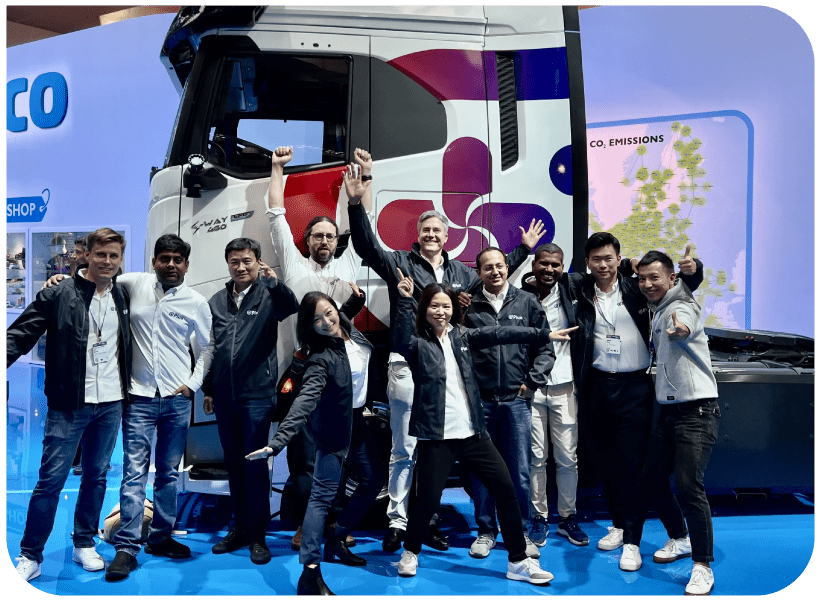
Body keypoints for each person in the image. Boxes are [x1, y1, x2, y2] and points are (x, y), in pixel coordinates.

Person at [345, 164, 545, 552]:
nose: (432, 235)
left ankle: (429, 520)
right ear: (418, 235)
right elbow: (367, 247)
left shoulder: (461, 273)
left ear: (447, 235)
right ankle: (398, 521)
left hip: (446, 370)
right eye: (426, 230)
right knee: (404, 448)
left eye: (437, 230)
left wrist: (523, 250)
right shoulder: (400, 263)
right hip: (407, 364)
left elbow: (493, 276)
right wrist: (355, 205)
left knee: (436, 450)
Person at [393, 275, 562, 585]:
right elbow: (401, 338)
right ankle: (410, 551)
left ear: (454, 310)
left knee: (506, 491)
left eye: (446, 306)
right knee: (427, 502)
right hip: (437, 437)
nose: (441, 312)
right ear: (424, 309)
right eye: (434, 306)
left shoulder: (462, 336)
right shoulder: (416, 344)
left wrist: (542, 334)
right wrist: (405, 301)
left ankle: (518, 561)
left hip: (473, 433)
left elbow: (500, 333)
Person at [568, 232, 703, 572]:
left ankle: (632, 541)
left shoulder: (636, 287)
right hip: (597, 385)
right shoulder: (580, 290)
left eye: (609, 258)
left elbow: (680, 286)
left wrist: (695, 270)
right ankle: (618, 523)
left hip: (635, 388)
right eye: (596, 259)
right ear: (587, 263)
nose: (603, 265)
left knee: (633, 466)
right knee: (608, 463)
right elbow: (543, 277)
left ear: (619, 258)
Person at [7, 228, 132, 582]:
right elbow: (20, 334)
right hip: (68, 404)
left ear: (120, 259)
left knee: (96, 477)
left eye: (114, 256)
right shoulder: (59, 293)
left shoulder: (123, 295)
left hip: (110, 403)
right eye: (100, 254)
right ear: (85, 255)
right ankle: (30, 554)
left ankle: (84, 543)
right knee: (50, 480)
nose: (107, 261)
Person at [266, 145, 372, 551]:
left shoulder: (348, 265)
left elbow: (361, 223)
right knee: (303, 457)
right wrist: (277, 168)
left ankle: (330, 523)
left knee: (337, 455)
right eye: (317, 235)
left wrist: (364, 177)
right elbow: (276, 214)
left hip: (343, 378)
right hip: (304, 371)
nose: (324, 240)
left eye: (330, 235)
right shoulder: (294, 266)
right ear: (306, 240)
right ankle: (304, 523)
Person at [246, 290, 385, 596]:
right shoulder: (320, 358)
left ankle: (337, 538)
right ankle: (309, 572)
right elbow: (304, 401)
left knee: (373, 479)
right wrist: (277, 442)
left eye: (328, 313)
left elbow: (343, 313)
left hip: (357, 422)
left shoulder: (346, 327)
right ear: (309, 326)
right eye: (316, 319)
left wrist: (357, 299)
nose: (325, 321)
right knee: (321, 498)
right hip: (334, 429)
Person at [105, 234, 215, 581]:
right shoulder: (132, 284)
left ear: (186, 265)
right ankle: (127, 547)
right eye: (164, 258)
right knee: (134, 472)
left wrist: (193, 385)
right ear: (154, 261)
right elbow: (98, 277)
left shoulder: (196, 302)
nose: (170, 264)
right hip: (138, 397)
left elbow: (209, 347)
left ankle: (161, 537)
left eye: (177, 260)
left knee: (168, 473)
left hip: (176, 400)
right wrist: (65, 278)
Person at [202, 238, 299, 565]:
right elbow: (211, 347)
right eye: (235, 261)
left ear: (258, 262)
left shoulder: (269, 294)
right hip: (224, 398)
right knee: (233, 465)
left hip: (257, 397)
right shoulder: (217, 301)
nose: (241, 267)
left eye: (247, 261)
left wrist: (276, 284)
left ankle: (258, 535)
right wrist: (209, 389)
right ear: (228, 264)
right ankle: (240, 528)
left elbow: (291, 307)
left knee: (255, 466)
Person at [633, 250, 720, 595]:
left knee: (689, 487)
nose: (647, 284)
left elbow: (685, 322)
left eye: (654, 277)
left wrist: (680, 330)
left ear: (672, 279)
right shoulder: (656, 307)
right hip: (669, 412)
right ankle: (680, 537)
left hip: (696, 412)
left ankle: (702, 566)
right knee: (652, 479)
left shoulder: (682, 305)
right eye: (642, 278)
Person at [463, 247, 556, 560]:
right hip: (481, 403)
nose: (495, 272)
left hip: (516, 402)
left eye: (500, 266)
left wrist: (532, 382)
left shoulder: (527, 301)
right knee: (482, 472)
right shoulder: (468, 305)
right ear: (478, 273)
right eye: (488, 267)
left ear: (507, 267)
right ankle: (486, 532)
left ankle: (520, 532)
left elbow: (546, 348)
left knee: (519, 471)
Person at [520, 243, 588, 546]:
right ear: (534, 265)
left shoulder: (572, 291)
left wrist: (629, 265)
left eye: (555, 264)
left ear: (563, 267)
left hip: (566, 385)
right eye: (544, 263)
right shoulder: (520, 296)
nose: (549, 269)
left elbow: (607, 273)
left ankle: (567, 517)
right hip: (532, 387)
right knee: (536, 458)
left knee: (567, 458)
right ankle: (539, 517)